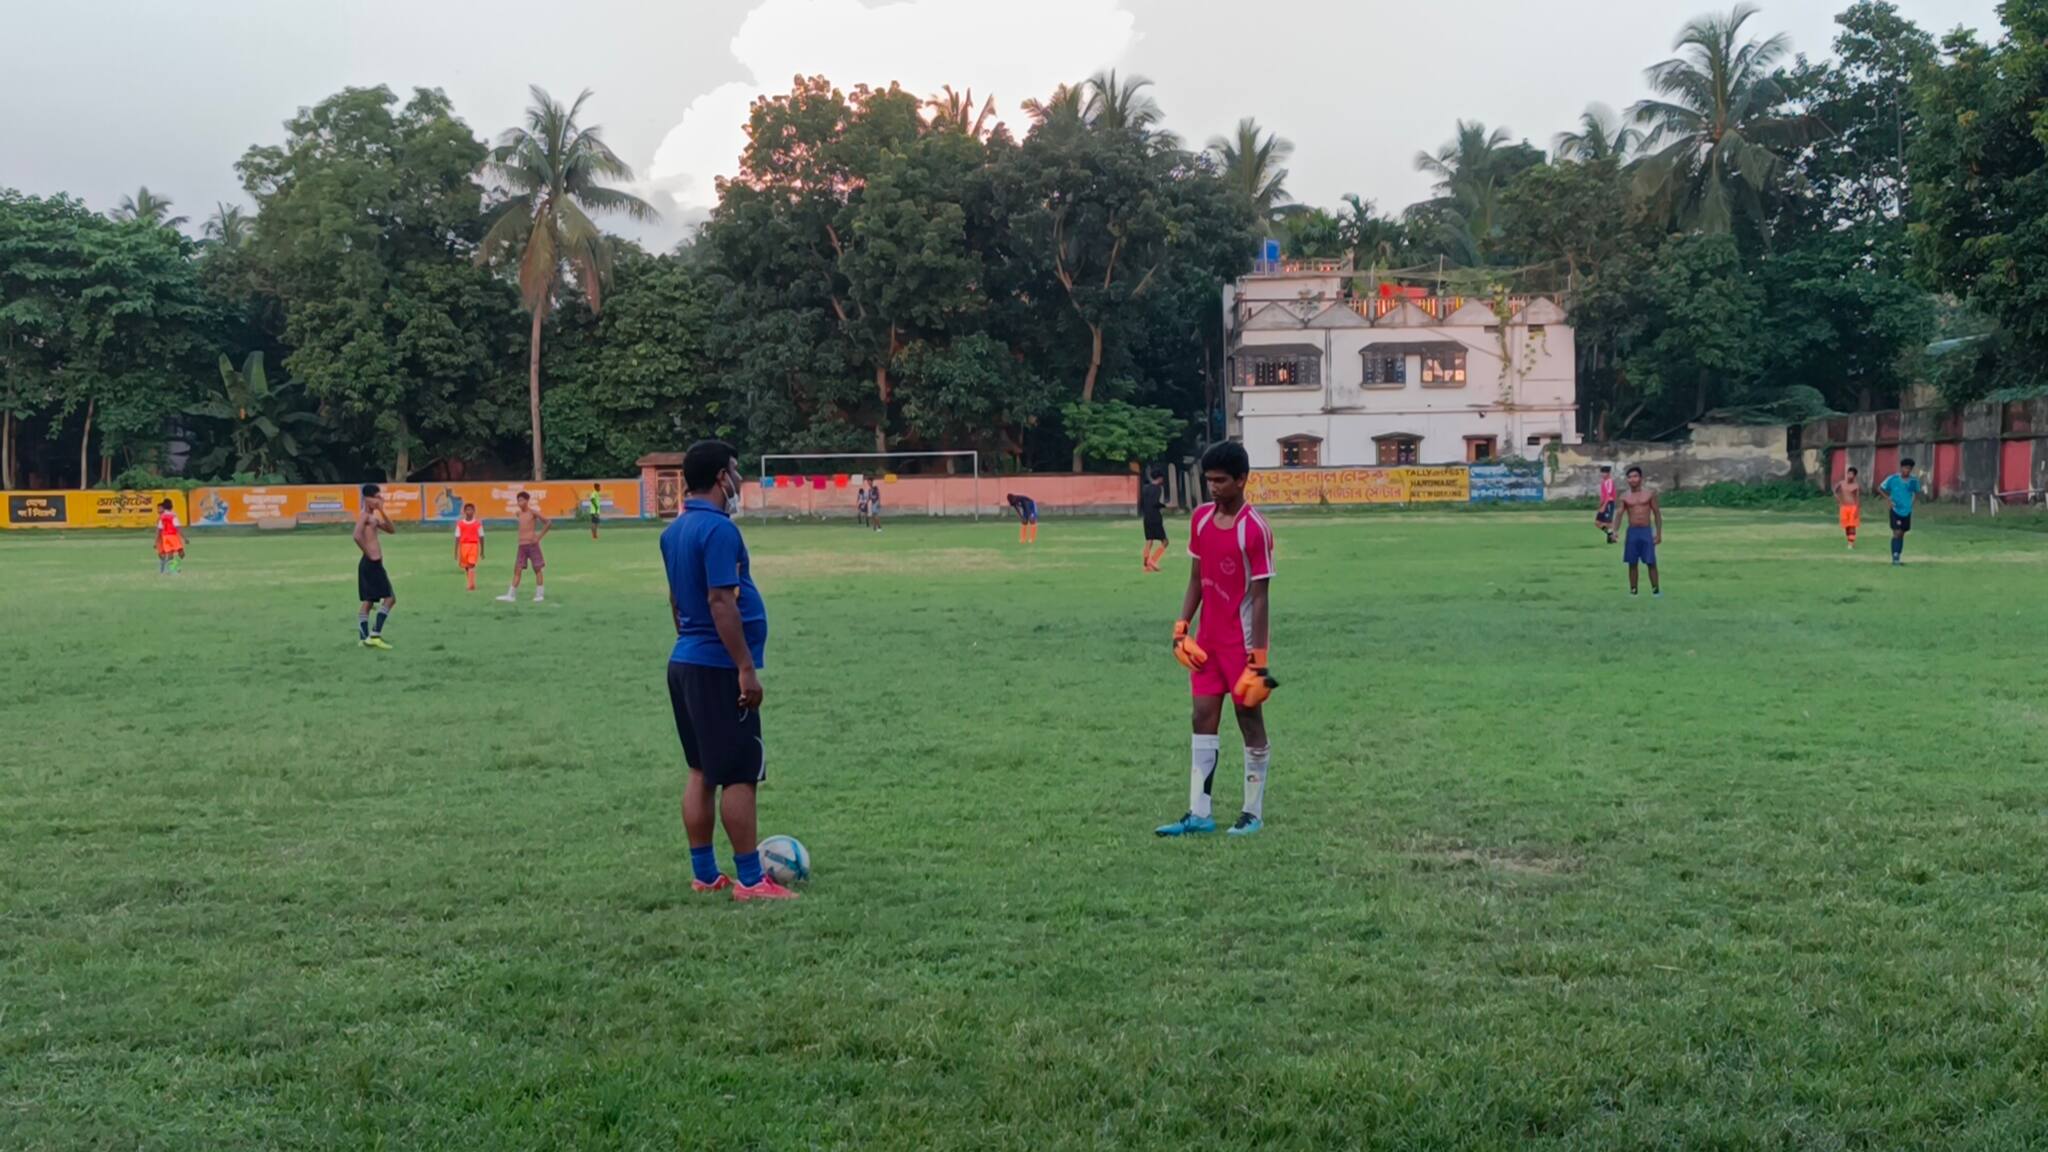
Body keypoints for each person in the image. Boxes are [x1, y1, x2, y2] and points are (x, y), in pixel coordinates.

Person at [660, 439, 795, 902]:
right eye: (735, 472)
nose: (738, 481)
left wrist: (693, 639)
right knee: (738, 773)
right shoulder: (719, 531)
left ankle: (704, 872)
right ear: (721, 477)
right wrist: (744, 668)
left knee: (701, 770)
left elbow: (677, 601)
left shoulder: (674, 530)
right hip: (718, 668)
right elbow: (721, 600)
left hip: (685, 662)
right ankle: (751, 881)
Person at [1157, 441, 1277, 838]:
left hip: (1240, 647)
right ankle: (1199, 813)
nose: (1214, 488)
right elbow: (1196, 578)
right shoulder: (1201, 519)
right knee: (1201, 717)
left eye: (1221, 481)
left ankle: (1252, 813)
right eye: (1209, 480)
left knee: (1248, 720)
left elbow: (1260, 598)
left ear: (1242, 480)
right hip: (1206, 643)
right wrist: (1181, 627)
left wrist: (1259, 660)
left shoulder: (1254, 529)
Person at [354, 483, 396, 649]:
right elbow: (356, 535)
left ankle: (364, 638)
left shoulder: (374, 518)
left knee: (369, 601)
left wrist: (383, 511)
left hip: (373, 563)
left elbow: (392, 530)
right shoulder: (364, 516)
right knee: (390, 598)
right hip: (371, 563)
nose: (380, 499)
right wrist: (368, 553)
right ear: (368, 499)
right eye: (377, 497)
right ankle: (375, 634)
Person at [1617, 465, 1662, 596]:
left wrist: (1658, 534)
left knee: (1651, 562)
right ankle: (1633, 591)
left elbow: (1657, 514)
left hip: (1646, 531)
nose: (1632, 479)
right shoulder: (1624, 496)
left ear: (1641, 478)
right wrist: (1614, 531)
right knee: (1632, 562)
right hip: (1632, 532)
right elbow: (1619, 514)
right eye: (1630, 477)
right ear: (1627, 480)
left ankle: (1656, 590)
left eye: (1635, 476)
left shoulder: (1649, 494)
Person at [497, 492, 549, 603]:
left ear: (527, 500)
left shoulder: (533, 513)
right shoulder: (519, 514)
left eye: (522, 500)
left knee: (537, 569)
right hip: (522, 546)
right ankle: (511, 595)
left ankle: (539, 594)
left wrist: (538, 537)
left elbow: (548, 523)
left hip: (532, 544)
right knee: (517, 569)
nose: (520, 503)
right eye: (518, 500)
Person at [1879, 457, 1923, 566]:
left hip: (1906, 511)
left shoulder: (1913, 481)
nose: (1907, 470)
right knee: (1897, 532)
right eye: (1905, 468)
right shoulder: (1893, 479)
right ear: (1901, 468)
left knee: (1902, 533)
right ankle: (1895, 556)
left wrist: (1911, 503)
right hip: (1895, 509)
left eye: (1909, 468)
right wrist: (1888, 499)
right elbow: (1880, 488)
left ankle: (1898, 555)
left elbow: (1916, 493)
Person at [1139, 467, 1170, 572]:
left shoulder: (1145, 488)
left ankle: (1146, 565)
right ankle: (1152, 560)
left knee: (1149, 541)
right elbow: (1154, 503)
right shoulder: (1157, 488)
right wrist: (1165, 506)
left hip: (1146, 517)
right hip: (1155, 517)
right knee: (1165, 542)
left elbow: (1143, 503)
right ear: (1160, 478)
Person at [454, 502, 485, 591]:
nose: (469, 512)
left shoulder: (477, 524)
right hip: (463, 546)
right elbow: (457, 537)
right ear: (464, 511)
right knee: (467, 566)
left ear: (474, 511)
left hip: (473, 546)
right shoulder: (460, 524)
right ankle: (471, 583)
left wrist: (482, 550)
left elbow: (481, 536)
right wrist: (455, 552)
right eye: (467, 510)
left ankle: (470, 585)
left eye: (471, 510)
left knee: (472, 564)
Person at [1832, 466, 1862, 549]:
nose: (1849, 476)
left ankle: (1851, 543)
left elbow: (1857, 498)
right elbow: (1835, 490)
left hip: (1853, 507)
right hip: (1844, 507)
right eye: (1848, 473)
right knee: (1847, 526)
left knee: (1852, 525)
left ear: (1854, 476)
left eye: (1851, 474)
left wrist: (1857, 509)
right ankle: (1849, 540)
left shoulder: (1856, 486)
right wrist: (1838, 499)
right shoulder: (1841, 483)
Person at [155, 498, 185, 575]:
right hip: (171, 536)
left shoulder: (162, 517)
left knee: (168, 555)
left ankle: (167, 570)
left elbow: (158, 529)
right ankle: (171, 569)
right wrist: (185, 538)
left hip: (164, 537)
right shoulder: (173, 515)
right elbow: (178, 527)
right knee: (178, 553)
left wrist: (156, 541)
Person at [1595, 465, 1618, 544]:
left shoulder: (1609, 482)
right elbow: (1603, 495)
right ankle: (1611, 535)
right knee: (1597, 523)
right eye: (1601, 473)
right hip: (1605, 503)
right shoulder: (1603, 482)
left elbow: (1608, 495)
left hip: (1608, 503)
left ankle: (1611, 538)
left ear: (1608, 473)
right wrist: (1600, 505)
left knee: (1608, 523)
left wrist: (1604, 506)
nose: (1602, 475)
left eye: (1603, 473)